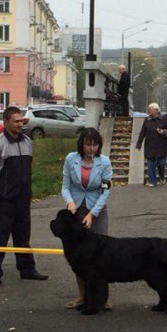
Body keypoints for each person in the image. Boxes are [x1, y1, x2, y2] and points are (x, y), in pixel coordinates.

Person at [0, 106, 48, 287]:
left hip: (22, 200)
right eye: (16, 121)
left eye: (22, 121)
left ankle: (27, 269)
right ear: (6, 123)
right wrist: (2, 189)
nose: (20, 124)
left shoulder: (27, 142)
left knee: (23, 237)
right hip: (4, 201)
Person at [62, 127, 113, 310]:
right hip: (77, 210)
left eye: (95, 145)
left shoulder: (104, 162)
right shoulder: (71, 159)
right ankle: (83, 296)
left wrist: (92, 214)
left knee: (101, 256)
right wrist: (70, 202)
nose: (91, 148)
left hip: (97, 209)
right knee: (80, 256)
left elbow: (106, 191)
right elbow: (65, 186)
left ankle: (103, 299)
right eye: (88, 144)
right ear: (82, 144)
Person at [135, 103, 167, 187]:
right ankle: (153, 181)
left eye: (150, 109)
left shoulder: (164, 119)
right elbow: (142, 132)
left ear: (156, 110)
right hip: (150, 146)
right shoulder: (147, 120)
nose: (149, 110)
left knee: (161, 164)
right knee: (150, 164)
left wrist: (163, 132)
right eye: (148, 109)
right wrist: (139, 143)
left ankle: (162, 177)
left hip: (161, 146)